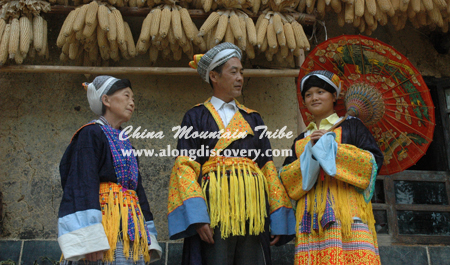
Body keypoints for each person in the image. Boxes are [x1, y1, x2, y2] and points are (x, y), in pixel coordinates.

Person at [167, 42, 296, 265]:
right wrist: (198, 217)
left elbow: (267, 167)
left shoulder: (253, 118)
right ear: (214, 77)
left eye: (242, 72)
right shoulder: (196, 116)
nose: (240, 78)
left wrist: (278, 217)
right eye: (233, 72)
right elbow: (185, 167)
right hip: (214, 210)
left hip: (253, 211)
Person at [279, 70, 383, 265]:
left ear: (334, 96)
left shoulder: (353, 127)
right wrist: (311, 153)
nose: (314, 98)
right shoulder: (301, 139)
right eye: (308, 94)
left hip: (348, 213)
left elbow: (373, 163)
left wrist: (332, 149)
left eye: (320, 92)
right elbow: (286, 178)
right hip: (311, 216)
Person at [57, 76, 162, 264]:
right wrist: (90, 241)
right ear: (106, 100)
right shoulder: (90, 134)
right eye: (127, 96)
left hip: (130, 229)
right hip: (105, 231)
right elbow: (82, 184)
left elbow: (138, 192)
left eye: (133, 99)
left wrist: (147, 235)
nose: (132, 103)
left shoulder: (125, 142)